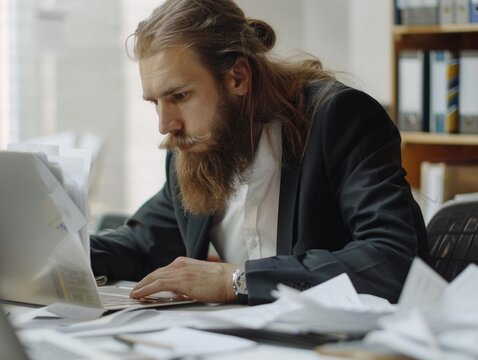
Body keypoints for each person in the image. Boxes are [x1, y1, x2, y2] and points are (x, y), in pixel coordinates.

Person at [90, 0, 427, 305]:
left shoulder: (338, 118)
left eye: (179, 96)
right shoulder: (193, 150)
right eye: (155, 103)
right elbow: (141, 243)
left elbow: (389, 259)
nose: (166, 125)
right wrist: (55, 253)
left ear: (237, 77)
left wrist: (236, 279)